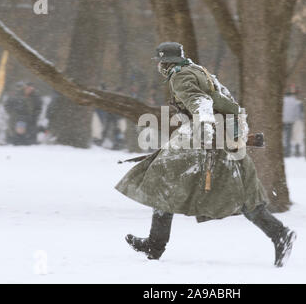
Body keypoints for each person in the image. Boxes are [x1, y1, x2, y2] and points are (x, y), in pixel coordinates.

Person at [115, 42, 296, 267]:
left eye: (160, 62)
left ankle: (280, 235)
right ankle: (155, 243)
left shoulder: (179, 77)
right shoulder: (199, 71)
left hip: (208, 140)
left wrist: (206, 131)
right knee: (239, 192)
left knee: (166, 182)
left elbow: (202, 103)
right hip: (223, 136)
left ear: (166, 62)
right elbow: (227, 100)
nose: (159, 66)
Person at [4, 81, 42, 145]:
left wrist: (35, 115)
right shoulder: (16, 95)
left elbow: (38, 108)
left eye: (31, 88)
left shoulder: (36, 97)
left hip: (31, 117)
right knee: (17, 131)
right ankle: (15, 142)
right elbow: (7, 105)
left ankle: (29, 143)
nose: (29, 90)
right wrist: (12, 113)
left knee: (30, 131)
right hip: (17, 117)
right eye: (28, 88)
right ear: (25, 88)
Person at [282, 85, 303, 157]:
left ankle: (284, 151)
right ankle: (288, 152)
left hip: (282, 121)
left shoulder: (282, 101)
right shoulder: (296, 102)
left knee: (283, 137)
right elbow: (298, 114)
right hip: (290, 122)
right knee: (288, 137)